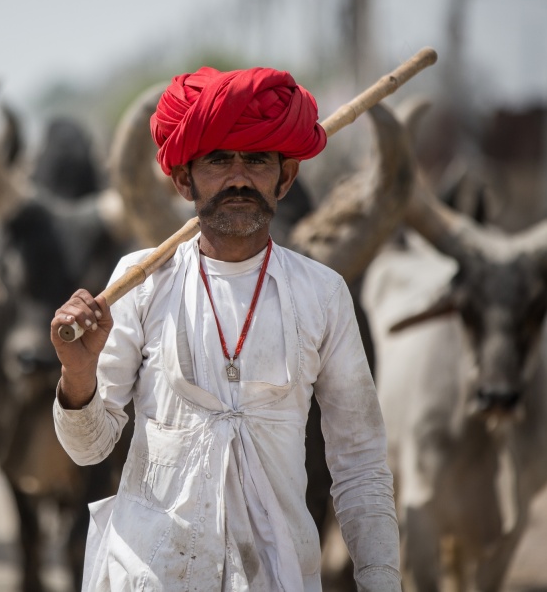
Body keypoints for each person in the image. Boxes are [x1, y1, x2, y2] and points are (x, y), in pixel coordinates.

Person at [50, 66, 401, 591]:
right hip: (148, 576)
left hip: (276, 577)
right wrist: (78, 375)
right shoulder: (138, 282)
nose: (239, 177)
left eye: (258, 159)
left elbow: (360, 466)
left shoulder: (322, 294)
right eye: (217, 160)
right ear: (183, 179)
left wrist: (381, 581)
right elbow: (89, 448)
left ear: (284, 179)